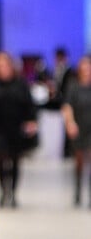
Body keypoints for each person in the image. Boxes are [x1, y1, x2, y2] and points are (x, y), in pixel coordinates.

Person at [0, 51, 38, 208]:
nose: (2, 68)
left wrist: (32, 121)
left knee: (15, 160)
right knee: (0, 158)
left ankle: (13, 192)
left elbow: (29, 105)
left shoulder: (20, 84)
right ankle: (3, 192)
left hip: (16, 128)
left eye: (4, 64)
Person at [61, 55, 91, 206]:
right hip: (79, 126)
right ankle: (78, 191)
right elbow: (67, 106)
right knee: (79, 161)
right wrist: (70, 123)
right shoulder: (73, 86)